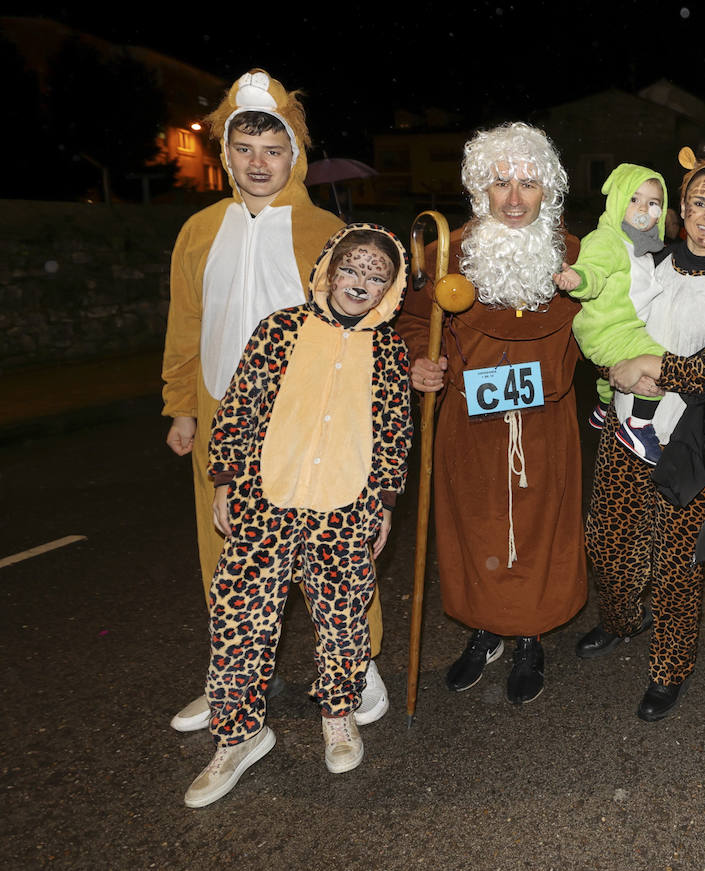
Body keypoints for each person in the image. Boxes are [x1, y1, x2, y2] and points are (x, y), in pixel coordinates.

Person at [162, 70, 389, 734]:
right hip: (217, 414)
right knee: (225, 548)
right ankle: (231, 672)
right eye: (245, 148)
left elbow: (358, 331)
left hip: (305, 419)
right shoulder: (198, 232)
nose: (259, 164)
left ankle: (357, 664)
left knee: (330, 548)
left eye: (274, 149)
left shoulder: (325, 230)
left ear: (296, 153)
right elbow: (185, 323)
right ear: (226, 153)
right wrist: (181, 406)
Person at [183, 224, 413, 807]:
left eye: (377, 276)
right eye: (352, 268)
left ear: (391, 288)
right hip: (266, 499)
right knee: (241, 619)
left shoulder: (388, 349)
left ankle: (338, 714)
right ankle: (238, 735)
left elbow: (393, 432)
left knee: (342, 618)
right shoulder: (280, 329)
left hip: (345, 506)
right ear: (329, 268)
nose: (361, 282)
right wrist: (226, 478)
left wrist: (385, 502)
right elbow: (240, 405)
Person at [397, 121, 586, 706]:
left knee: (539, 528)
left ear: (547, 190)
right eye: (500, 183)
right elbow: (408, 322)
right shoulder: (445, 253)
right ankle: (485, 629)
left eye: (527, 184)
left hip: (546, 422)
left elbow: (607, 326)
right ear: (481, 189)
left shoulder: (575, 256)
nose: (512, 199)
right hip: (469, 423)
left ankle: (528, 635)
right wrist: (418, 364)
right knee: (474, 525)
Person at [578, 147, 705, 721]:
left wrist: (657, 369)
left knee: (676, 565)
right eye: (700, 203)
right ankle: (620, 620)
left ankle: (670, 668)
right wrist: (614, 368)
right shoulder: (647, 262)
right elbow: (605, 321)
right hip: (625, 430)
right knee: (608, 545)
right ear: (681, 208)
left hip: (692, 441)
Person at [553, 163, 671, 463]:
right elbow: (593, 268)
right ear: (618, 201)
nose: (642, 207)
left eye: (652, 202)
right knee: (661, 361)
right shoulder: (609, 239)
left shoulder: (638, 244)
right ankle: (638, 427)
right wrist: (577, 280)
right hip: (608, 330)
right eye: (633, 199)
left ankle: (604, 407)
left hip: (618, 327)